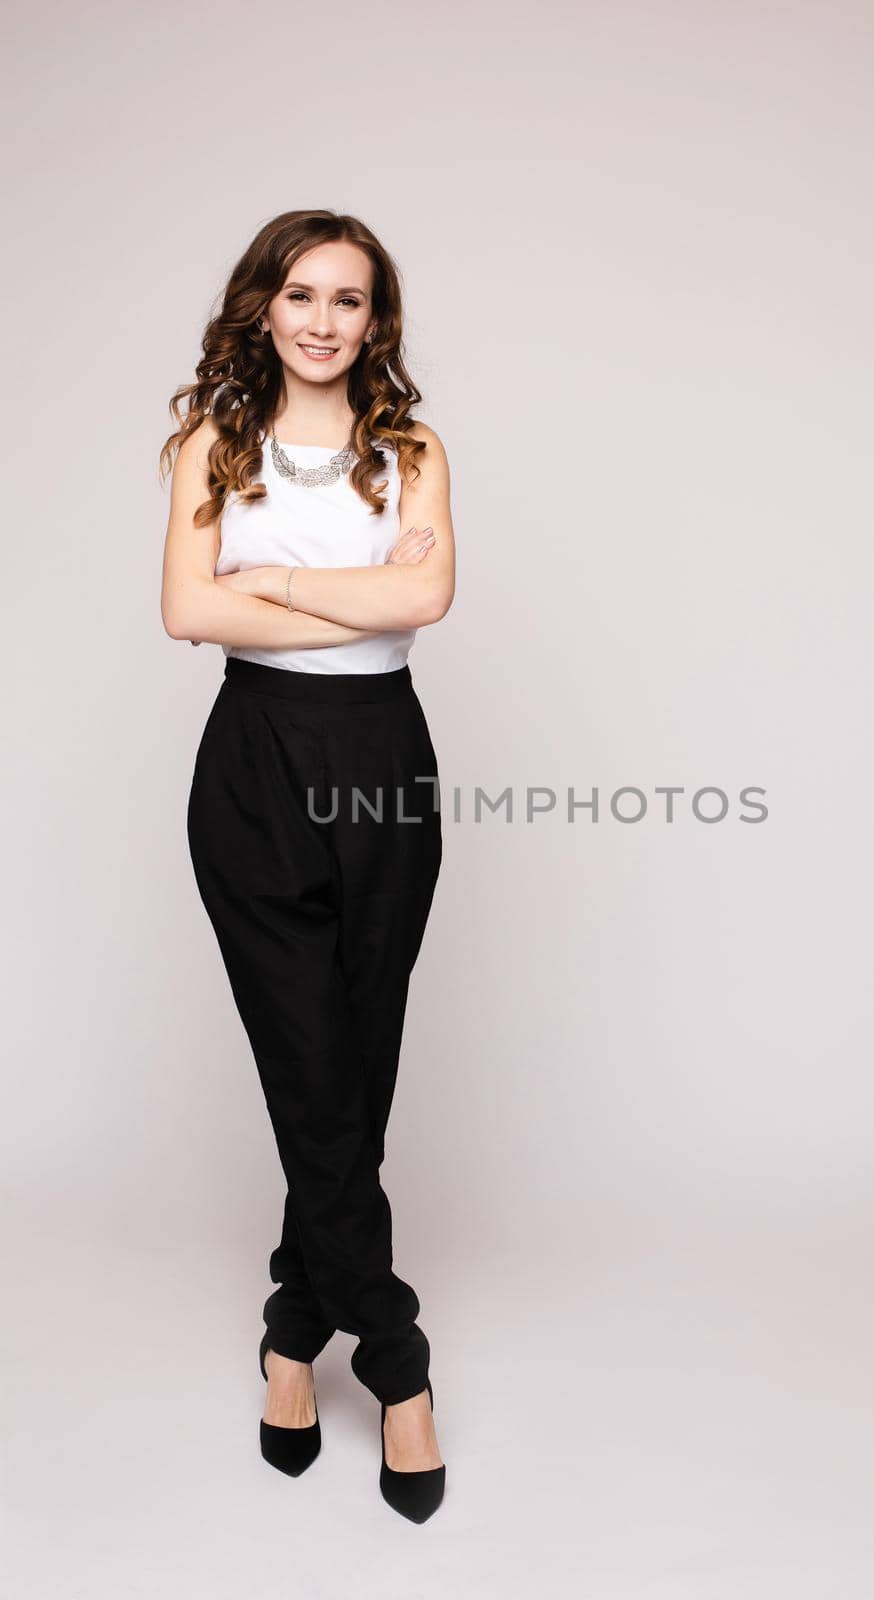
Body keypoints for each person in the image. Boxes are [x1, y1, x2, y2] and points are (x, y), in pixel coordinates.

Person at [159, 209, 455, 1523]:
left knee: (359, 1061)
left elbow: (426, 605)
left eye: (351, 299)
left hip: (384, 757)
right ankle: (395, 1364)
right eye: (302, 295)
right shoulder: (214, 445)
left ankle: (292, 1332)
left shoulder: (411, 449)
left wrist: (265, 572)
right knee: (310, 1062)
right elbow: (185, 609)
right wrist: (341, 579)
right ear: (263, 309)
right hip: (257, 765)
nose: (325, 320)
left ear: (374, 320)